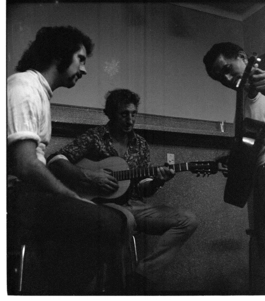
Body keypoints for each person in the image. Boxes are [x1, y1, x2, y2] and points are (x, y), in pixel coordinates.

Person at [7, 26, 129, 295]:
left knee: (112, 221)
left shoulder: (38, 91)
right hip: (17, 197)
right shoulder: (23, 87)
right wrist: (71, 196)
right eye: (81, 58)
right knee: (109, 223)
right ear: (60, 55)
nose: (84, 69)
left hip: (31, 195)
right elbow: (26, 165)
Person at [47, 88, 198, 294]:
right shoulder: (95, 136)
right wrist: (91, 176)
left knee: (187, 220)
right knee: (124, 220)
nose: (130, 119)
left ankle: (140, 277)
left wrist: (157, 181)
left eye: (133, 114)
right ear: (111, 114)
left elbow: (143, 188)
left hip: (135, 205)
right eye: (124, 114)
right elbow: (56, 160)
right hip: (101, 205)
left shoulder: (141, 144)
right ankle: (116, 290)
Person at [203, 42, 265, 295]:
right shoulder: (243, 105)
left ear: (243, 57)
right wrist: (232, 159)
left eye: (228, 69)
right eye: (220, 77)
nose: (228, 78)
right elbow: (254, 143)